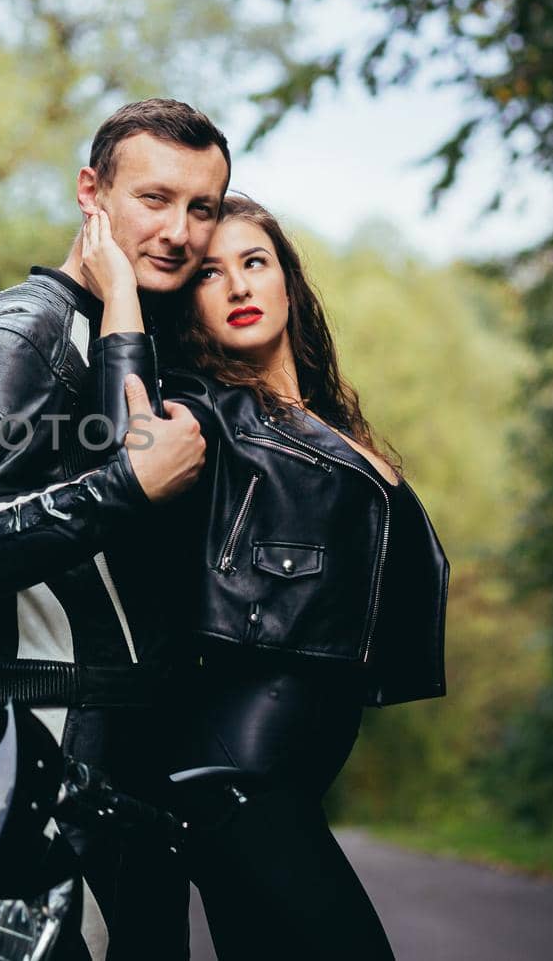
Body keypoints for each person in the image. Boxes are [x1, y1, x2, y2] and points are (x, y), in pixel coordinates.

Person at [80, 194, 450, 960]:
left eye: (255, 263)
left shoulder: (321, 419)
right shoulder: (208, 411)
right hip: (235, 774)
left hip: (284, 774)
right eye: (211, 274)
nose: (240, 286)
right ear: (190, 306)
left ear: (289, 282)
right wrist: (121, 295)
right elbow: (128, 449)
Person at [0, 98, 230, 959]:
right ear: (92, 192)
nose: (180, 231)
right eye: (155, 199)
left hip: (137, 754)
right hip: (48, 744)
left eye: (202, 207)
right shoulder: (17, 338)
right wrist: (125, 486)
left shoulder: (135, 335)